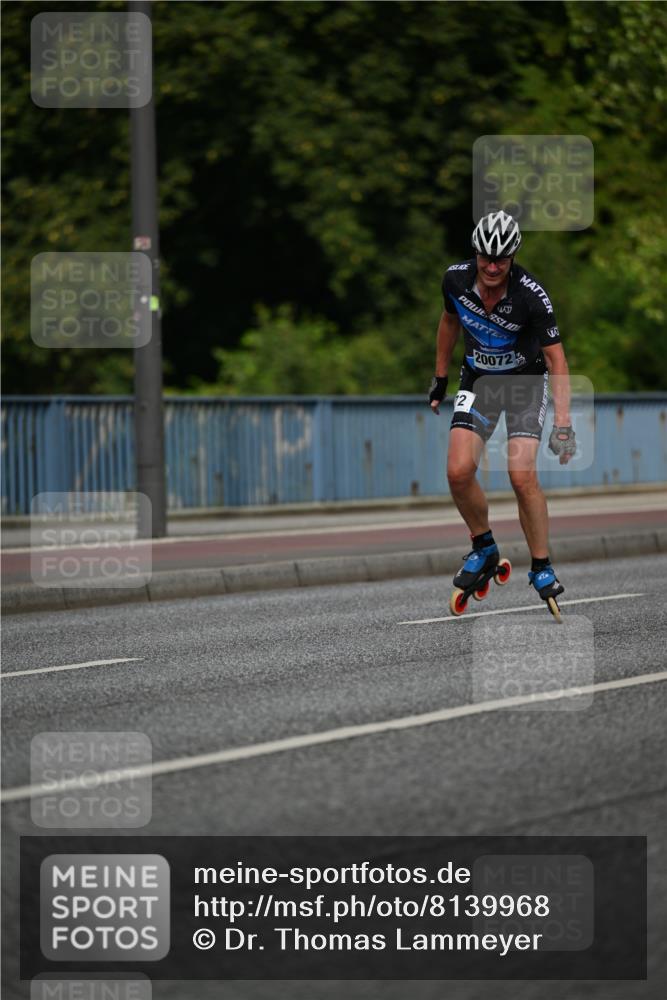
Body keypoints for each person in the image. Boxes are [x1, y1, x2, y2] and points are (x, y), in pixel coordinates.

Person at [428, 210, 576, 618]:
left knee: (520, 475)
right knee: (458, 472)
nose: (492, 267)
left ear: (513, 258)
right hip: (478, 382)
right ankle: (484, 548)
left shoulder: (531, 296)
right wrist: (440, 376)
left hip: (526, 384)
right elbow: (448, 322)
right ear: (475, 253)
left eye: (502, 260)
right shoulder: (455, 280)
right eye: (485, 258)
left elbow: (557, 360)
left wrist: (563, 423)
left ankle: (542, 566)